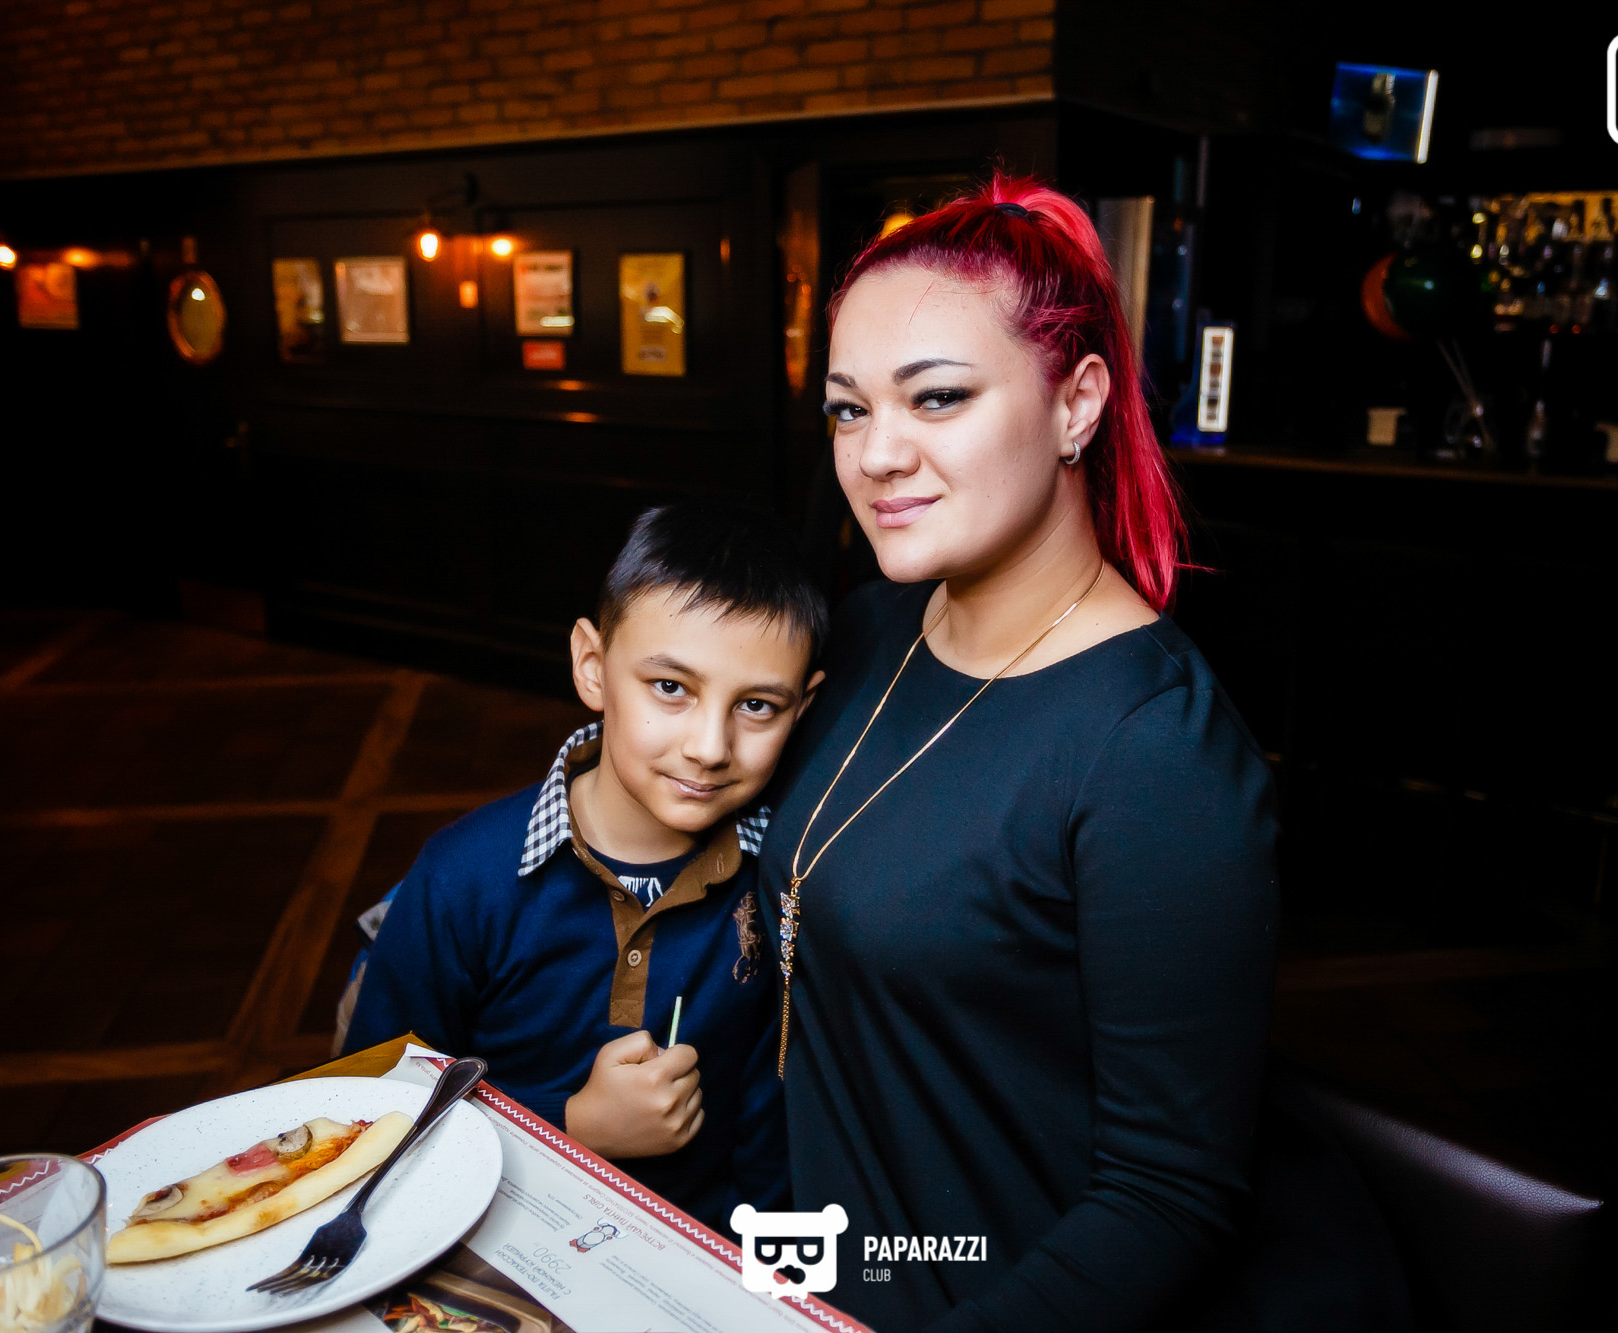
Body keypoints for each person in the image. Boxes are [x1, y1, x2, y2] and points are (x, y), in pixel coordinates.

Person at [760, 178, 1409, 1330]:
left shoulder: (1152, 752)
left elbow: (1166, 1201)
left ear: (1078, 403)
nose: (875, 454)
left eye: (937, 397)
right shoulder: (864, 631)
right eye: (848, 409)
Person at [343, 501, 827, 1232]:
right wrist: (572, 1123)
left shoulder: (781, 882)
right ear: (593, 667)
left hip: (692, 1252)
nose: (709, 746)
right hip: (482, 1242)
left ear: (803, 707)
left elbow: (772, 1125)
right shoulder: (462, 877)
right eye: (671, 687)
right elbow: (375, 1106)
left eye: (757, 705)